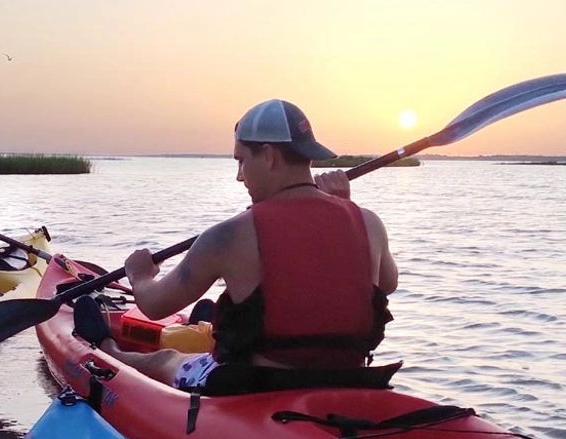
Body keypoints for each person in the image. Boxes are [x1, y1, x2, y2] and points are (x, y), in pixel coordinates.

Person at [94, 99, 398, 390]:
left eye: (241, 160)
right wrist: (342, 207)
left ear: (268, 155)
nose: (240, 176)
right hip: (350, 379)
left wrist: (139, 274)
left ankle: (109, 352)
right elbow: (387, 282)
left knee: (167, 359)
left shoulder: (229, 235)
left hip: (258, 382)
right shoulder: (368, 222)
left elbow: (154, 306)